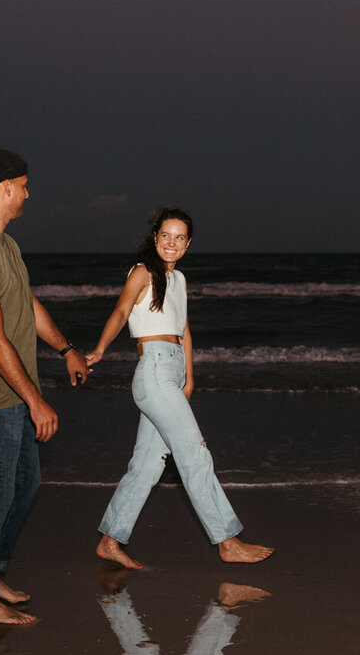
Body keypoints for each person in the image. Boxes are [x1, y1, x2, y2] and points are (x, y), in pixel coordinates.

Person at [0, 148, 91, 624]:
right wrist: (36, 401)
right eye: (24, 185)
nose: (28, 193)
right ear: (5, 188)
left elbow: (26, 307)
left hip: (12, 397)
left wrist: (66, 347)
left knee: (24, 488)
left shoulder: (4, 245)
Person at [85, 207, 273, 569]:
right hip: (153, 369)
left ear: (188, 244)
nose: (172, 242)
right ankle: (227, 540)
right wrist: (99, 349)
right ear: (155, 237)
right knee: (194, 454)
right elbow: (122, 311)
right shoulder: (142, 272)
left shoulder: (180, 280)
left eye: (179, 237)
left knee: (146, 465)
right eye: (166, 235)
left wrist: (189, 376)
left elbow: (184, 331)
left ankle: (110, 540)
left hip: (170, 371)